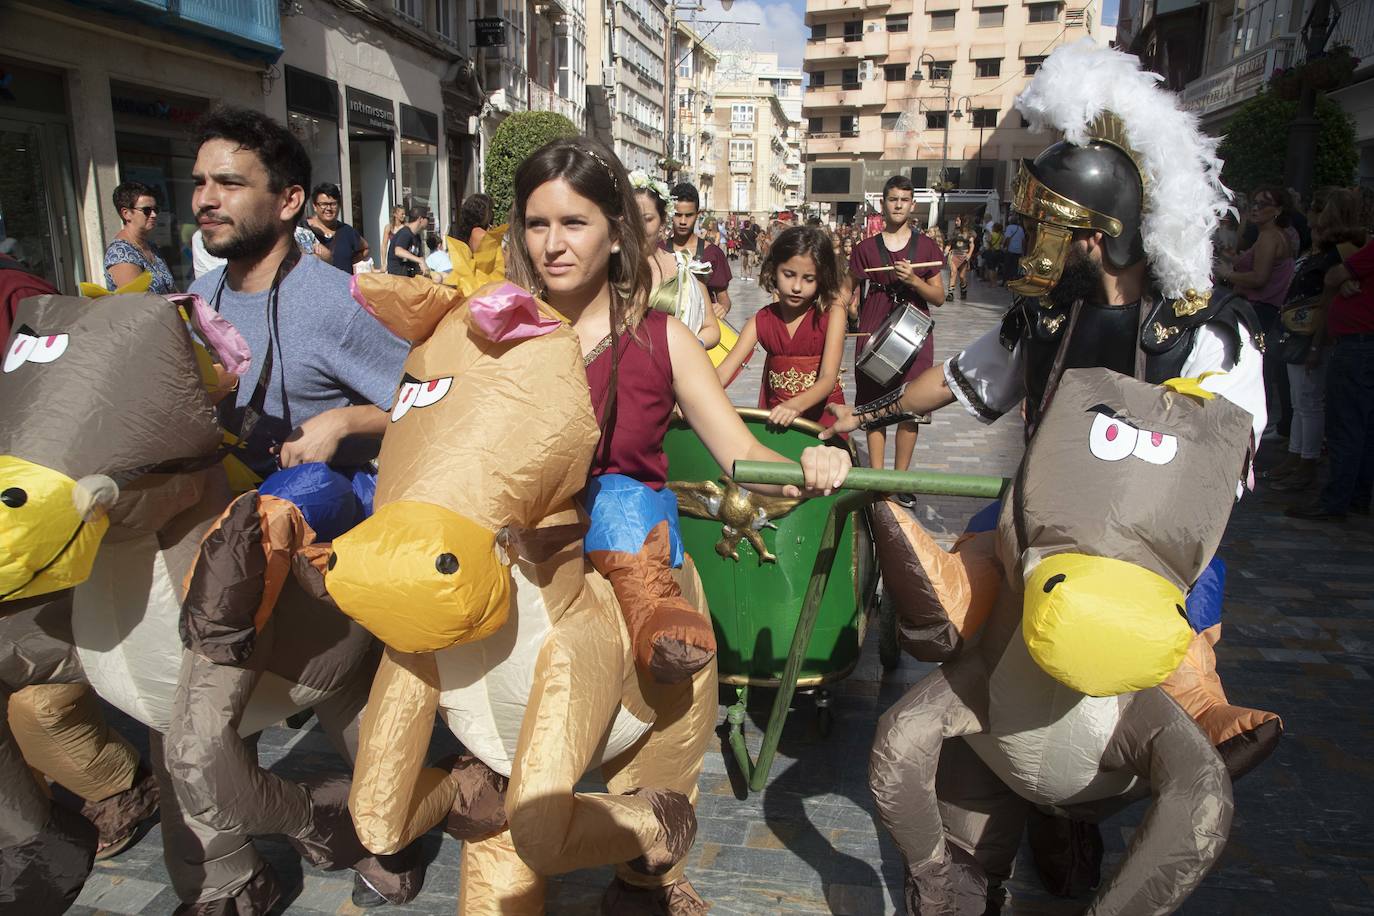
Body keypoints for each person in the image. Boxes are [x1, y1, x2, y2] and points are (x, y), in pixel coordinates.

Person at [839, 43, 1269, 912]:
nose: (1031, 239)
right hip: (1040, 516)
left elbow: (1225, 467)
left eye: (1051, 224)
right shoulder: (1046, 318)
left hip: (1148, 543)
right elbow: (960, 382)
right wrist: (863, 417)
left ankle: (1195, 710)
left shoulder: (1204, 336)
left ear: (1098, 233)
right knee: (978, 586)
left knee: (1184, 631)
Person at [503, 136, 851, 697]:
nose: (553, 244)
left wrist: (811, 467)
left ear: (616, 233)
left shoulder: (666, 340)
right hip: (520, 560)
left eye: (574, 223)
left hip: (627, 558)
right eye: (537, 224)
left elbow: (744, 456)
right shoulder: (499, 336)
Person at [847, 174, 945, 487]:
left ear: (912, 205)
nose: (898, 205)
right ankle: (877, 481)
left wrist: (914, 280)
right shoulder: (865, 249)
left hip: (915, 331)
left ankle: (900, 481)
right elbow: (846, 290)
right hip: (874, 327)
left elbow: (939, 297)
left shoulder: (926, 246)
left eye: (904, 200)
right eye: (893, 200)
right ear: (883, 203)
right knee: (873, 403)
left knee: (911, 404)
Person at [1268, 188, 1367, 493]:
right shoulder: (1322, 247)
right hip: (1301, 328)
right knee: (1300, 401)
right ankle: (1297, 456)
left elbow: (1329, 294)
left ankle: (1307, 462)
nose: (1313, 215)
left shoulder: (1344, 249)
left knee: (1310, 402)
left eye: (1318, 209)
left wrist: (1315, 344)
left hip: (1317, 333)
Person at [716, 226, 847, 429]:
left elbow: (828, 378)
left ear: (821, 278)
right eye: (789, 274)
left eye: (808, 279)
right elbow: (724, 372)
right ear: (773, 271)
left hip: (824, 420)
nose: (797, 287)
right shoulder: (761, 320)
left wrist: (794, 406)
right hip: (779, 420)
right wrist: (693, 397)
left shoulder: (833, 313)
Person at [1287, 229, 1374, 521]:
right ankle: (1356, 496)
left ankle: (1336, 499)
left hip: (1359, 344)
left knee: (1347, 426)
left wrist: (1344, 278)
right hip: (1360, 344)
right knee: (1363, 427)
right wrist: (1347, 279)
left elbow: (1334, 275)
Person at [1216, 186, 1299, 439]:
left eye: (1263, 204)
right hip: (1265, 309)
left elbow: (1259, 278)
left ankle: (1250, 432)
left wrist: (1227, 274)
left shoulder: (1269, 237)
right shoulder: (1274, 235)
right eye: (1254, 202)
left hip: (1258, 311)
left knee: (1254, 372)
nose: (1255, 208)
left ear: (1278, 210)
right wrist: (1234, 259)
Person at [629, 169, 719, 348]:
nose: (638, 226)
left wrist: (690, 348)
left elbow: (711, 328)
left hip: (670, 361)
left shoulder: (686, 267)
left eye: (647, 219)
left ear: (662, 222)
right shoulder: (607, 268)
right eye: (632, 218)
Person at [668, 182, 732, 319]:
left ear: (697, 214)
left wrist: (722, 308)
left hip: (702, 326)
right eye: (677, 215)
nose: (683, 221)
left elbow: (724, 299)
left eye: (689, 215)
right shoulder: (658, 250)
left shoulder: (713, 253)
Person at [104, 180, 176, 293]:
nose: (154, 215)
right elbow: (137, 300)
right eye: (146, 210)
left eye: (156, 209)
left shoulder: (151, 247)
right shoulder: (121, 253)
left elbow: (172, 289)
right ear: (126, 213)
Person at [306, 182, 369, 272]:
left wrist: (349, 262)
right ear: (315, 206)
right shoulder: (303, 230)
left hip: (343, 280)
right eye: (323, 204)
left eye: (333, 204)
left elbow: (365, 248)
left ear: (339, 205)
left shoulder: (347, 231)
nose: (328, 208)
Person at [386, 206, 428, 277]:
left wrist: (425, 267)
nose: (428, 221)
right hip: (398, 275)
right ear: (420, 219)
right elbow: (398, 251)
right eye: (427, 218)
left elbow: (420, 257)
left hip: (411, 273)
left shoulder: (417, 236)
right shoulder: (405, 233)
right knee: (437, 278)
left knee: (439, 277)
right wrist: (419, 260)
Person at [945, 215, 975, 301]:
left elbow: (972, 245)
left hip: (964, 256)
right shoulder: (954, 232)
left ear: (963, 221)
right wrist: (945, 252)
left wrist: (969, 254)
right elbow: (949, 244)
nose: (956, 222)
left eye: (957, 220)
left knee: (962, 276)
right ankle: (950, 293)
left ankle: (963, 289)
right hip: (954, 255)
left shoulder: (969, 232)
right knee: (953, 273)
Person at [999, 213, 1026, 286]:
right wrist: (1023, 250)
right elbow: (1023, 240)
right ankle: (1013, 282)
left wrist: (1005, 246)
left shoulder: (1009, 227)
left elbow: (1007, 238)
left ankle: (1005, 282)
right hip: (1018, 250)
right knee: (1015, 267)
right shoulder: (1020, 228)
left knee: (1007, 266)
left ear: (1010, 221)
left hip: (1010, 250)